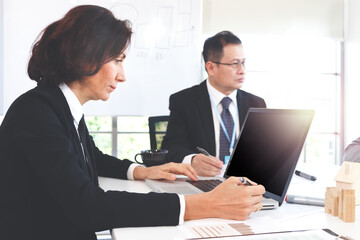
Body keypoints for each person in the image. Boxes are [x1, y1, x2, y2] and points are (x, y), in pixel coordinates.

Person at [0, 5, 265, 240]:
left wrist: (142, 171)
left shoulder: (59, 105)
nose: (123, 75)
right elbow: (87, 207)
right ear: (85, 57)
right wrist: (202, 205)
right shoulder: (36, 113)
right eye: (118, 60)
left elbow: (93, 157)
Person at [162, 31, 266, 176]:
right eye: (235, 64)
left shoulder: (256, 103)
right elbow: (171, 148)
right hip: (202, 183)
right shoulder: (184, 101)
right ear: (211, 68)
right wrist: (192, 160)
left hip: (243, 183)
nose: (242, 70)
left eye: (243, 63)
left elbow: (264, 151)